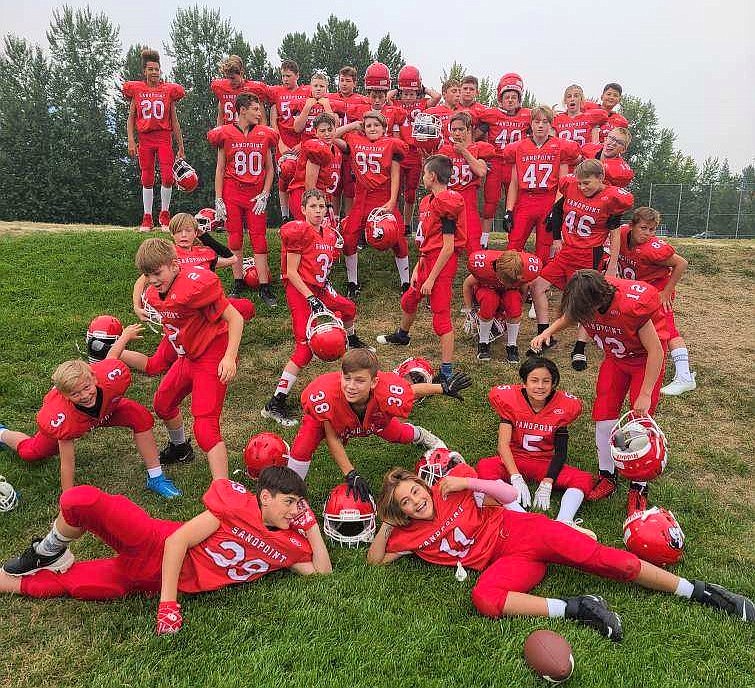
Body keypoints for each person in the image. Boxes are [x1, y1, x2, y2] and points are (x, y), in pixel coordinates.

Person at [367, 463, 754, 639]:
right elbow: (375, 560)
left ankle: (702, 591)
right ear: (399, 511)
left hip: (524, 531)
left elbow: (511, 495)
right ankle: (577, 607)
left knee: (606, 560)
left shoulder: (450, 489)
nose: (416, 500)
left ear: (423, 483)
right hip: (507, 562)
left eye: (415, 490)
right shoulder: (409, 534)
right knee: (484, 597)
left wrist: (469, 480)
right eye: (405, 502)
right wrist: (388, 523)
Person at [0, 468, 332, 635]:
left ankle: (14, 576)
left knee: (77, 586)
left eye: (298, 505)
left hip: (146, 578)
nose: (294, 511)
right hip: (153, 543)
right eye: (289, 502)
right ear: (265, 497)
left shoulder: (288, 544)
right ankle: (49, 549)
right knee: (80, 500)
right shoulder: (235, 506)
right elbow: (177, 542)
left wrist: (312, 526)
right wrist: (168, 604)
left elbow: (322, 573)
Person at [530, 270, 668, 514]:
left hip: (643, 361)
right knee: (603, 417)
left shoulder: (631, 307)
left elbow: (656, 351)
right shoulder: (589, 296)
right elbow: (572, 315)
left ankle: (639, 486)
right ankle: (608, 475)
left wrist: (645, 392)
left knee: (639, 423)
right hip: (615, 359)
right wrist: (547, 332)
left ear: (597, 301)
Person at [286, 349, 471, 497]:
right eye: (347, 378)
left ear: (374, 382)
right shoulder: (325, 395)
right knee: (303, 446)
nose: (351, 386)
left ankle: (421, 435)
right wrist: (350, 473)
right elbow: (332, 437)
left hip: (372, 415)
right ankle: (290, 493)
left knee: (397, 434)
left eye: (359, 380)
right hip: (332, 420)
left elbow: (411, 391)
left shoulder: (386, 390)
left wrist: (443, 388)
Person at [261, 190, 372, 427]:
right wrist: (311, 298)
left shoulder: (330, 234)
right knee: (304, 348)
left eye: (322, 206)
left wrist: (323, 290)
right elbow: (291, 272)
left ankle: (351, 341)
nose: (318, 211)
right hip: (300, 290)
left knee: (348, 308)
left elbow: (323, 267)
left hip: (320, 288)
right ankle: (275, 402)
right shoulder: (298, 231)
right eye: (313, 206)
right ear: (303, 209)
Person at [136, 238, 244, 480]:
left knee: (205, 426)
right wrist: (136, 305)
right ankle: (181, 448)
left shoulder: (195, 287)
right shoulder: (157, 290)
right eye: (147, 274)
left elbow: (235, 318)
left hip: (211, 354)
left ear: (174, 265)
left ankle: (222, 489)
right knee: (163, 403)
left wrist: (229, 357)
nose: (152, 280)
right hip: (188, 355)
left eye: (156, 273)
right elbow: (145, 285)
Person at [0, 357, 180, 498]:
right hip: (77, 419)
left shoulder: (109, 377)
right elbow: (67, 462)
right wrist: (67, 498)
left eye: (86, 388)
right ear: (64, 395)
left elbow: (112, 358)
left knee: (139, 415)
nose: (85, 396)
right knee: (31, 452)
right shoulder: (62, 416)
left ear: (94, 378)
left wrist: (124, 337)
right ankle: (2, 433)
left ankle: (156, 477)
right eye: (75, 394)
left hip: (106, 410)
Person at [529, 159, 634, 366]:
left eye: (587, 183)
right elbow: (557, 211)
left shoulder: (611, 198)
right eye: (580, 183)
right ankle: (545, 336)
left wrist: (612, 265)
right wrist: (557, 238)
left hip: (588, 255)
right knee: (536, 286)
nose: (582, 187)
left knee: (586, 302)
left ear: (600, 178)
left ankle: (579, 348)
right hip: (567, 251)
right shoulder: (570, 185)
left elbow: (615, 235)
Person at [377, 155, 466, 383]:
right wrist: (419, 265)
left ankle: (446, 371)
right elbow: (430, 240)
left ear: (433, 176)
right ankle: (402, 335)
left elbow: (447, 248)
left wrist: (431, 279)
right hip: (428, 259)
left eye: (425, 173)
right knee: (409, 299)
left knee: (441, 318)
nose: (422, 177)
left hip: (442, 263)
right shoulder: (428, 201)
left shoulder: (448, 201)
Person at [476, 357, 595, 525]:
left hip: (542, 461)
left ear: (553, 384)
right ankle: (515, 510)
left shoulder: (563, 406)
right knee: (485, 466)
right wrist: (515, 476)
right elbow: (503, 445)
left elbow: (561, 452)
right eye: (534, 380)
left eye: (546, 381)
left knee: (583, 478)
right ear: (524, 382)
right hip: (514, 459)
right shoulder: (510, 400)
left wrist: (548, 481)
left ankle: (564, 521)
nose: (540, 386)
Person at [207, 93, 278, 306]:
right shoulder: (226, 133)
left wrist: (265, 193)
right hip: (232, 192)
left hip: (256, 194)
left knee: (259, 239)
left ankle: (264, 286)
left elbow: (270, 169)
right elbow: (220, 169)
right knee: (235, 238)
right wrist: (218, 198)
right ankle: (238, 281)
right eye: (256, 109)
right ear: (243, 109)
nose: (259, 113)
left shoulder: (264, 134)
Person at [617, 207, 696, 395]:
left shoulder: (653, 248)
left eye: (652, 230)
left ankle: (685, 376)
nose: (647, 234)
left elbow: (681, 263)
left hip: (656, 291)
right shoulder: (620, 234)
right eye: (643, 228)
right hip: (638, 290)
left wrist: (667, 292)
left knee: (667, 332)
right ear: (632, 226)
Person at [336, 110, 410, 295]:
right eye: (368, 125)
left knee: (398, 239)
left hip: (383, 198)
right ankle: (352, 283)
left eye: (376, 125)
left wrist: (393, 201)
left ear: (384, 128)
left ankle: (406, 283)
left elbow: (395, 175)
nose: (372, 128)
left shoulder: (392, 144)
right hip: (361, 199)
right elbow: (331, 136)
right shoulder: (355, 140)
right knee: (350, 238)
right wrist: (353, 125)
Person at [502, 105, 580, 264]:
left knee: (544, 248)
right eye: (537, 121)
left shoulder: (560, 147)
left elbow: (562, 184)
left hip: (548, 200)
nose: (540, 125)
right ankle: (511, 281)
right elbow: (514, 183)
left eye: (545, 122)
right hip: (525, 200)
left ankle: (538, 282)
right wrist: (508, 210)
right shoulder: (519, 147)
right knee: (514, 244)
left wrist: (556, 210)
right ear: (531, 123)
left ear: (551, 124)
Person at [123, 48, 186, 231]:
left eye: (157, 69)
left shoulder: (167, 91)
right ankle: (147, 217)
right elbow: (131, 118)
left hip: (164, 137)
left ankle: (165, 215)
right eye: (150, 69)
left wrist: (181, 146)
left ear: (160, 71)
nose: (154, 72)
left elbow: (174, 121)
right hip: (145, 138)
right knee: (147, 177)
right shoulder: (137, 90)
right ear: (144, 71)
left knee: (168, 176)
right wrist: (131, 140)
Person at [477, 73, 531, 247]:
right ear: (500, 98)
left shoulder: (527, 116)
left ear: (519, 98)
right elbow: (474, 135)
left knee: (514, 204)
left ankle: (512, 239)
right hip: (496, 163)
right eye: (507, 97)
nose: (510, 100)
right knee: (490, 202)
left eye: (514, 97)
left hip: (516, 164)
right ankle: (484, 240)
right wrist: (479, 153)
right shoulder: (490, 115)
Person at [462, 249, 541, 362]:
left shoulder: (524, 271)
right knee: (489, 299)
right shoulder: (484, 268)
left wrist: (514, 311)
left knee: (513, 301)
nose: (509, 283)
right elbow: (467, 285)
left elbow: (523, 292)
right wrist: (469, 310)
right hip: (486, 290)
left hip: (508, 294)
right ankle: (483, 342)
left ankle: (512, 345)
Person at [437, 111, 496, 251]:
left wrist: (464, 152)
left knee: (474, 249)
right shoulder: (445, 150)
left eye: (461, 129)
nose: (457, 133)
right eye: (454, 130)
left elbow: (481, 171)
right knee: (443, 247)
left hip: (468, 204)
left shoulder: (478, 148)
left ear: (469, 130)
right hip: (448, 202)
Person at [394, 65, 441, 235]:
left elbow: (437, 96)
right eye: (405, 94)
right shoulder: (396, 103)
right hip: (399, 153)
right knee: (395, 190)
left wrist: (421, 87)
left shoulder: (421, 103)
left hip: (414, 152)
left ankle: (406, 225)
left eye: (411, 93)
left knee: (410, 192)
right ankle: (395, 222)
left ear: (417, 92)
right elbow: (386, 97)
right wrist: (400, 88)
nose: (408, 97)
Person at [268, 60, 311, 221]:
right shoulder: (277, 92)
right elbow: (274, 121)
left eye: (288, 76)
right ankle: (285, 216)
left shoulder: (307, 92)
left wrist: (304, 143)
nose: (285, 79)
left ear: (297, 76)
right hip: (283, 139)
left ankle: (302, 214)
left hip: (302, 139)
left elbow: (312, 120)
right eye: (283, 76)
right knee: (284, 177)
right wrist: (280, 143)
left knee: (302, 179)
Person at [287, 113, 343, 221]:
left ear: (335, 130)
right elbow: (310, 186)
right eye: (322, 131)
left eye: (330, 130)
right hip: (305, 194)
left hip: (320, 195)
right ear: (315, 133)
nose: (327, 134)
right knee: (310, 233)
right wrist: (316, 207)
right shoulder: (317, 149)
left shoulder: (336, 150)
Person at [331, 66, 370, 218]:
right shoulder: (330, 98)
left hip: (351, 148)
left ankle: (347, 220)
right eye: (341, 80)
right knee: (334, 186)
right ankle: (333, 220)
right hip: (334, 147)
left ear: (355, 83)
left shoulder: (362, 101)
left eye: (348, 81)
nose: (344, 84)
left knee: (349, 188)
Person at [210, 55, 269, 127]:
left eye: (233, 78)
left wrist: (261, 136)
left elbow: (262, 119)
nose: (230, 81)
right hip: (229, 133)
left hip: (249, 133)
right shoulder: (222, 88)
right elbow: (220, 116)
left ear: (241, 73)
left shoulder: (254, 89)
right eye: (227, 78)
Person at [292, 70, 346, 142]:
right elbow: (297, 129)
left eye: (321, 86)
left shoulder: (332, 104)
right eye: (315, 86)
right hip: (307, 143)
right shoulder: (303, 103)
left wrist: (327, 106)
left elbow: (335, 129)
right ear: (311, 87)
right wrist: (307, 107)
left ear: (326, 88)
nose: (318, 89)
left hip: (326, 143)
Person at [553, 85, 607, 153]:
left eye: (576, 96)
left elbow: (595, 145)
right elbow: (552, 144)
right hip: (564, 160)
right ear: (565, 101)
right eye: (569, 96)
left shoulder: (591, 117)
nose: (572, 99)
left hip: (584, 160)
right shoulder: (557, 119)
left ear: (581, 99)